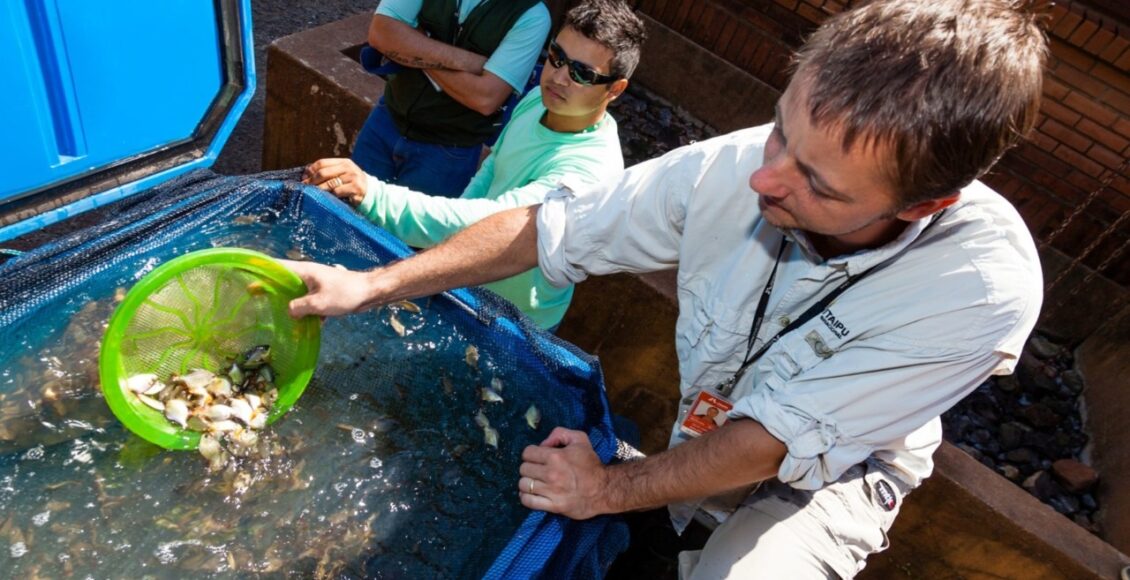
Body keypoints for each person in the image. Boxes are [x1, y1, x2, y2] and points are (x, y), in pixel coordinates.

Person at [285, 0, 1047, 577]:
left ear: (921, 206)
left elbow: (773, 441)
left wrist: (605, 488)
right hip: (705, 428)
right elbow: (548, 228)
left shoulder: (978, 292)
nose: (763, 178)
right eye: (781, 130)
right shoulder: (739, 165)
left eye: (817, 182)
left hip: (828, 472)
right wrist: (371, 285)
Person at [303, 0, 646, 330]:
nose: (559, 77)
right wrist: (453, 245)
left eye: (582, 74)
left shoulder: (588, 173)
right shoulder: (537, 103)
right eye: (557, 57)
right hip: (465, 284)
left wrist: (373, 194)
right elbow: (492, 169)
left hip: (513, 321)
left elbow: (492, 224)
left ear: (615, 89)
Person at [351, 0, 551, 198]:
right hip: (387, 118)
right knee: (345, 209)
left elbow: (485, 98)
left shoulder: (533, 16)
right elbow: (381, 33)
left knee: (410, 229)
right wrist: (471, 62)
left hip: (448, 150)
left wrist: (415, 43)